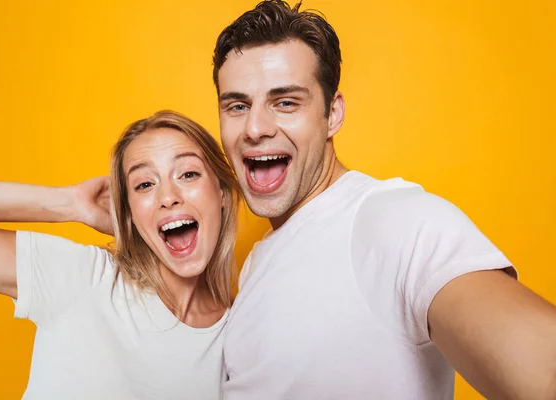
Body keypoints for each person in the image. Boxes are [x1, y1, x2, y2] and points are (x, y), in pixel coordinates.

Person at [212, 1, 556, 399]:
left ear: (333, 114)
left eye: (285, 102)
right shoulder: (257, 263)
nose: (255, 127)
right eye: (237, 106)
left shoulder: (390, 219)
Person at [0, 110, 240, 399]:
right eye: (144, 184)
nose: (168, 197)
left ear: (222, 194)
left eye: (188, 174)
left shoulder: (240, 335)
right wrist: (70, 203)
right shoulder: (84, 277)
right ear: (128, 212)